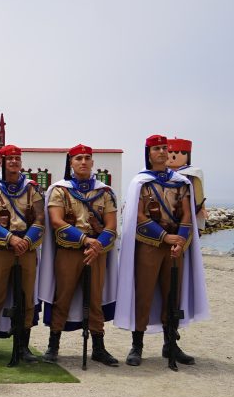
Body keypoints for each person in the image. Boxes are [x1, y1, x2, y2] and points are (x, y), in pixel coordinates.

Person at [114, 135, 209, 367]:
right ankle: (137, 345)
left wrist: (180, 241)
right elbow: (138, 215)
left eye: (165, 148)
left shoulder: (181, 182)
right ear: (148, 153)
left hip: (176, 245)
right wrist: (165, 237)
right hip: (150, 243)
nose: (162, 152)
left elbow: (187, 214)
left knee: (172, 294)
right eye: (157, 148)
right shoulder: (141, 182)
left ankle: (170, 344)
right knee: (144, 293)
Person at [37, 144, 120, 365]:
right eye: (78, 158)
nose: (83, 162)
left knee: (95, 299)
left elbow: (111, 225)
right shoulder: (59, 190)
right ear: (70, 162)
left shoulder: (105, 192)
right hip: (69, 250)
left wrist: (96, 245)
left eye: (87, 158)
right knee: (62, 297)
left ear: (92, 162)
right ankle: (53, 345)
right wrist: (85, 240)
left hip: (96, 252)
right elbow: (56, 220)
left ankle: (99, 347)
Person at [0, 145, 45, 364]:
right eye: (9, 158)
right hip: (1, 247)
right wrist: (11, 239)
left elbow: (40, 218)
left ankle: (23, 346)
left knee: (27, 297)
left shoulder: (31, 188)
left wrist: (26, 240)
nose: (14, 162)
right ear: (1, 162)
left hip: (27, 247)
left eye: (17, 158)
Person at [166, 138, 207, 229]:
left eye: (174, 157)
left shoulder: (193, 173)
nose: (171, 160)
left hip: (185, 206)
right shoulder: (157, 173)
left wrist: (201, 207)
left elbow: (198, 191)